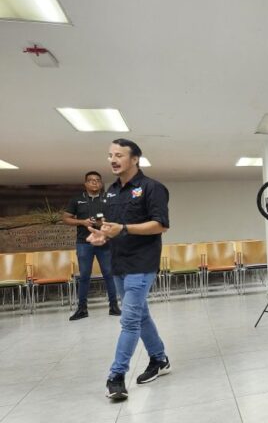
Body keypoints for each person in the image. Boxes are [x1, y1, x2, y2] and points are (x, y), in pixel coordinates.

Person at [85, 138, 171, 401]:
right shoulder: (111, 192)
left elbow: (160, 225)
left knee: (130, 320)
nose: (113, 159)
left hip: (142, 264)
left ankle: (116, 376)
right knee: (141, 316)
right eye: (110, 155)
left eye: (119, 155)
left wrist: (123, 229)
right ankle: (159, 359)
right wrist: (102, 236)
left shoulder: (152, 188)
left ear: (135, 159)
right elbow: (111, 227)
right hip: (118, 263)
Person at [62, 171, 121, 320]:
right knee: (84, 276)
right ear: (85, 183)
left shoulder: (108, 199)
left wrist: (104, 223)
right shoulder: (76, 200)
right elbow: (66, 219)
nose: (94, 182)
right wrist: (82, 222)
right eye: (91, 180)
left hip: (104, 242)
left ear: (101, 183)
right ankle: (82, 309)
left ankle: (114, 306)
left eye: (97, 180)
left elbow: (117, 218)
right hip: (84, 243)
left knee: (109, 274)